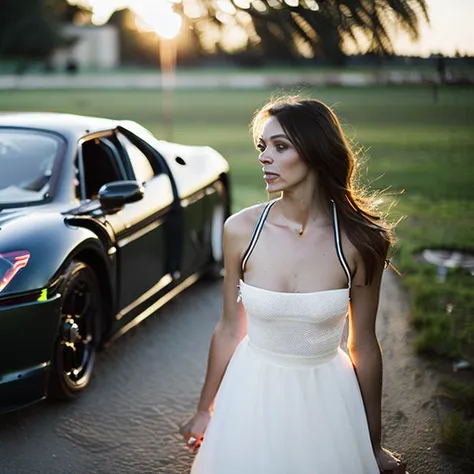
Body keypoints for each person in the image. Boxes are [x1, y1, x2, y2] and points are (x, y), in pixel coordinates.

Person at [180, 96, 407, 474]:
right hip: (249, 394)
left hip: (329, 399)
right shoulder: (240, 230)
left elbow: (363, 345)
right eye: (262, 147)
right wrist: (204, 411)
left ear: (316, 151)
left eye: (280, 146)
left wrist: (373, 444)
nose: (264, 157)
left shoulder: (361, 240)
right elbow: (229, 328)